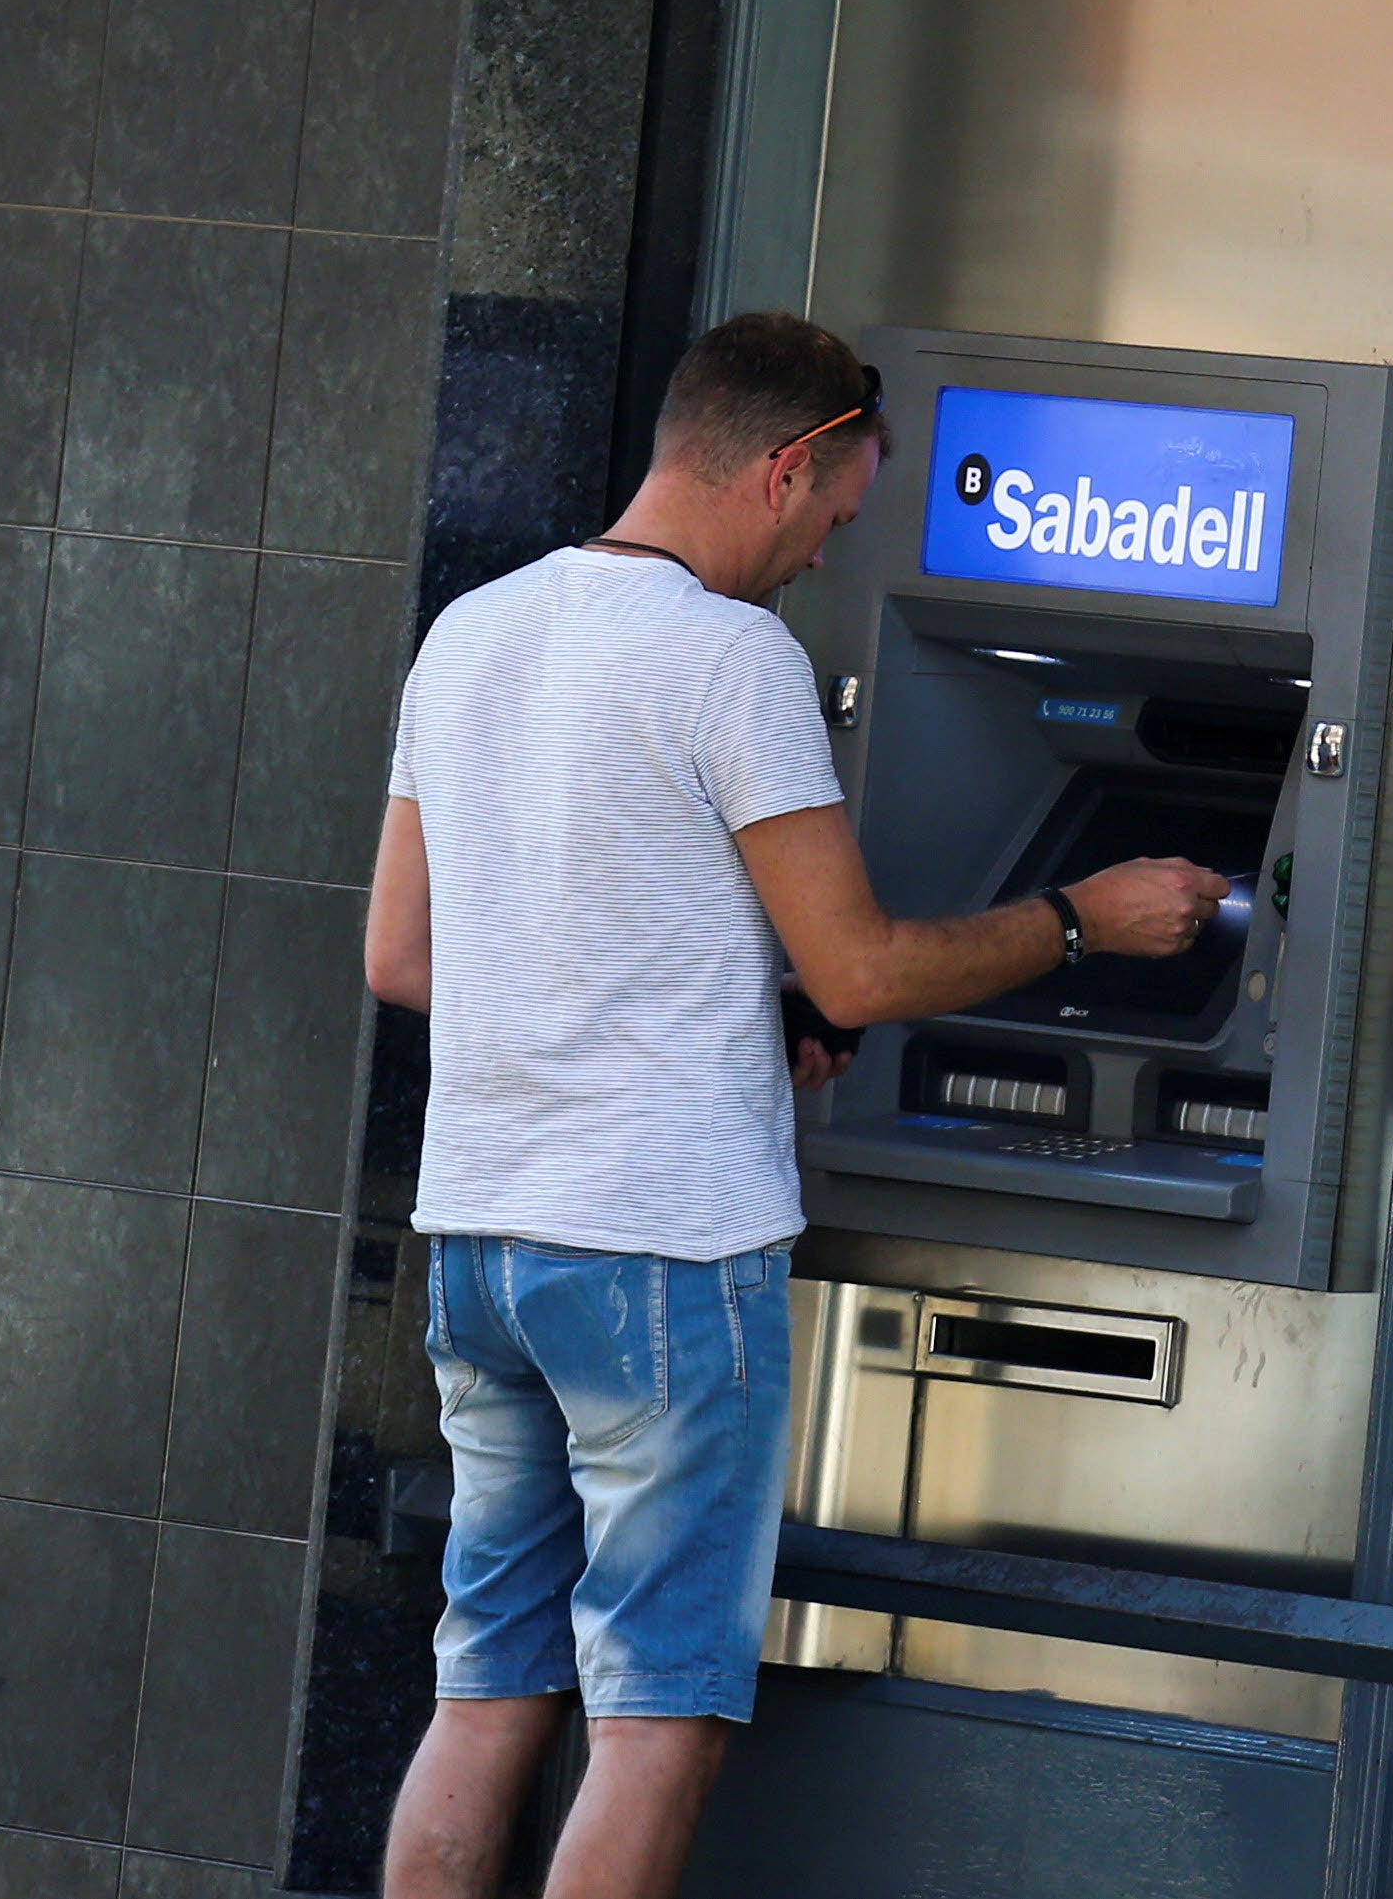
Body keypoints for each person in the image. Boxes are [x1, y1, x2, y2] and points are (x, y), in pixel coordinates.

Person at [360, 312, 1228, 1899]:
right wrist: (1087, 915)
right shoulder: (728, 655)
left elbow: (405, 954)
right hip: (662, 1259)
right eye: (834, 513)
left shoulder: (471, 630)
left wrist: (724, 1011)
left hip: (482, 1235)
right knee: (657, 1722)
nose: (828, 553)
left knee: (485, 1686)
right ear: (780, 466)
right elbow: (870, 964)